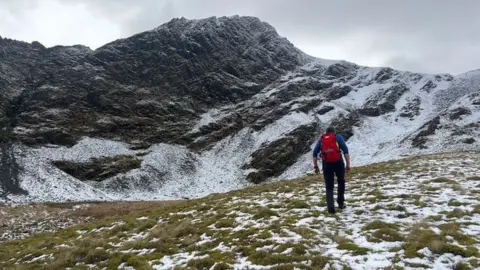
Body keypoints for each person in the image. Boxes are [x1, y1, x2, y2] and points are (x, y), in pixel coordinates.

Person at [312, 126, 350, 214]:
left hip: (327, 165)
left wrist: (316, 166)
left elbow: (315, 153)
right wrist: (348, 164)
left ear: (326, 132)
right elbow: (345, 150)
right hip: (338, 163)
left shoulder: (322, 140)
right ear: (334, 132)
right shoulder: (338, 137)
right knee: (341, 182)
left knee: (329, 186)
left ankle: (331, 208)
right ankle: (340, 203)